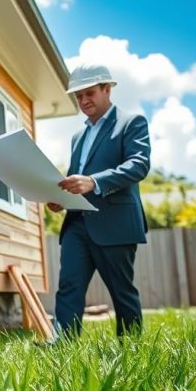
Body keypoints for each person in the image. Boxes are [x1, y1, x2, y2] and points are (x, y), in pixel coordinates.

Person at [47, 65, 150, 338]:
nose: (83, 102)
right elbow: (76, 179)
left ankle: (131, 350)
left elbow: (139, 165)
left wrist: (94, 181)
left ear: (107, 88)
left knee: (121, 290)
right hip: (77, 223)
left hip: (114, 223)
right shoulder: (77, 137)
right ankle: (62, 345)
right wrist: (61, 199)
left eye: (89, 93)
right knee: (68, 285)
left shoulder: (131, 123)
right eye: (78, 96)